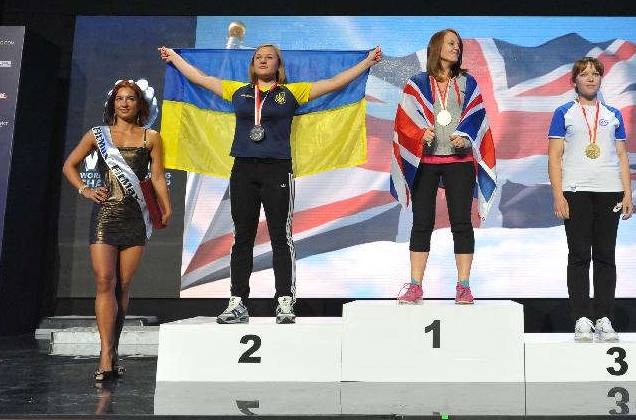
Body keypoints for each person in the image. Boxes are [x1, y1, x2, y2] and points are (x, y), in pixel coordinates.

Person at [159, 43, 382, 324]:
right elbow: (200, 79)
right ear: (253, 65)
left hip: (277, 170)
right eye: (258, 58)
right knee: (242, 237)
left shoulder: (291, 92)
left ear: (278, 65)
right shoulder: (237, 91)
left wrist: (367, 62)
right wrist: (175, 57)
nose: (263, 61)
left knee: (280, 236)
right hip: (242, 169)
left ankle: (285, 301)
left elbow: (334, 83)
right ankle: (238, 302)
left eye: (269, 57)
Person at [63, 80, 172, 382]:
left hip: (136, 216)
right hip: (105, 216)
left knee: (123, 284)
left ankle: (114, 348)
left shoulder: (152, 137)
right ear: (112, 104)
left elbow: (159, 177)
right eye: (119, 99)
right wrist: (85, 189)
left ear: (140, 104)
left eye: (131, 99)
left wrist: (166, 206)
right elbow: (69, 165)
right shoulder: (97, 135)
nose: (124, 103)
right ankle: (105, 353)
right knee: (103, 281)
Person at [391, 29, 497, 305]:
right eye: (451, 44)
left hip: (459, 162)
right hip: (424, 162)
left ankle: (463, 286)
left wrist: (466, 135)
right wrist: (417, 134)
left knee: (462, 223)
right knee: (421, 223)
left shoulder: (467, 82)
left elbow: (477, 117)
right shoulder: (415, 84)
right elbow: (403, 121)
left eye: (458, 45)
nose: (456, 48)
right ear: (436, 47)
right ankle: (415, 286)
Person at [547, 57, 634, 342]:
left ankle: (605, 318)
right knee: (579, 255)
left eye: (595, 74)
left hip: (610, 190)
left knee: (606, 256)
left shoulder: (613, 114)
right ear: (574, 80)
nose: (590, 78)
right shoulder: (564, 112)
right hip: (576, 191)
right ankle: (582, 318)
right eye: (584, 74)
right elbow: (554, 156)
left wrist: (628, 193)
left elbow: (621, 155)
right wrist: (557, 194)